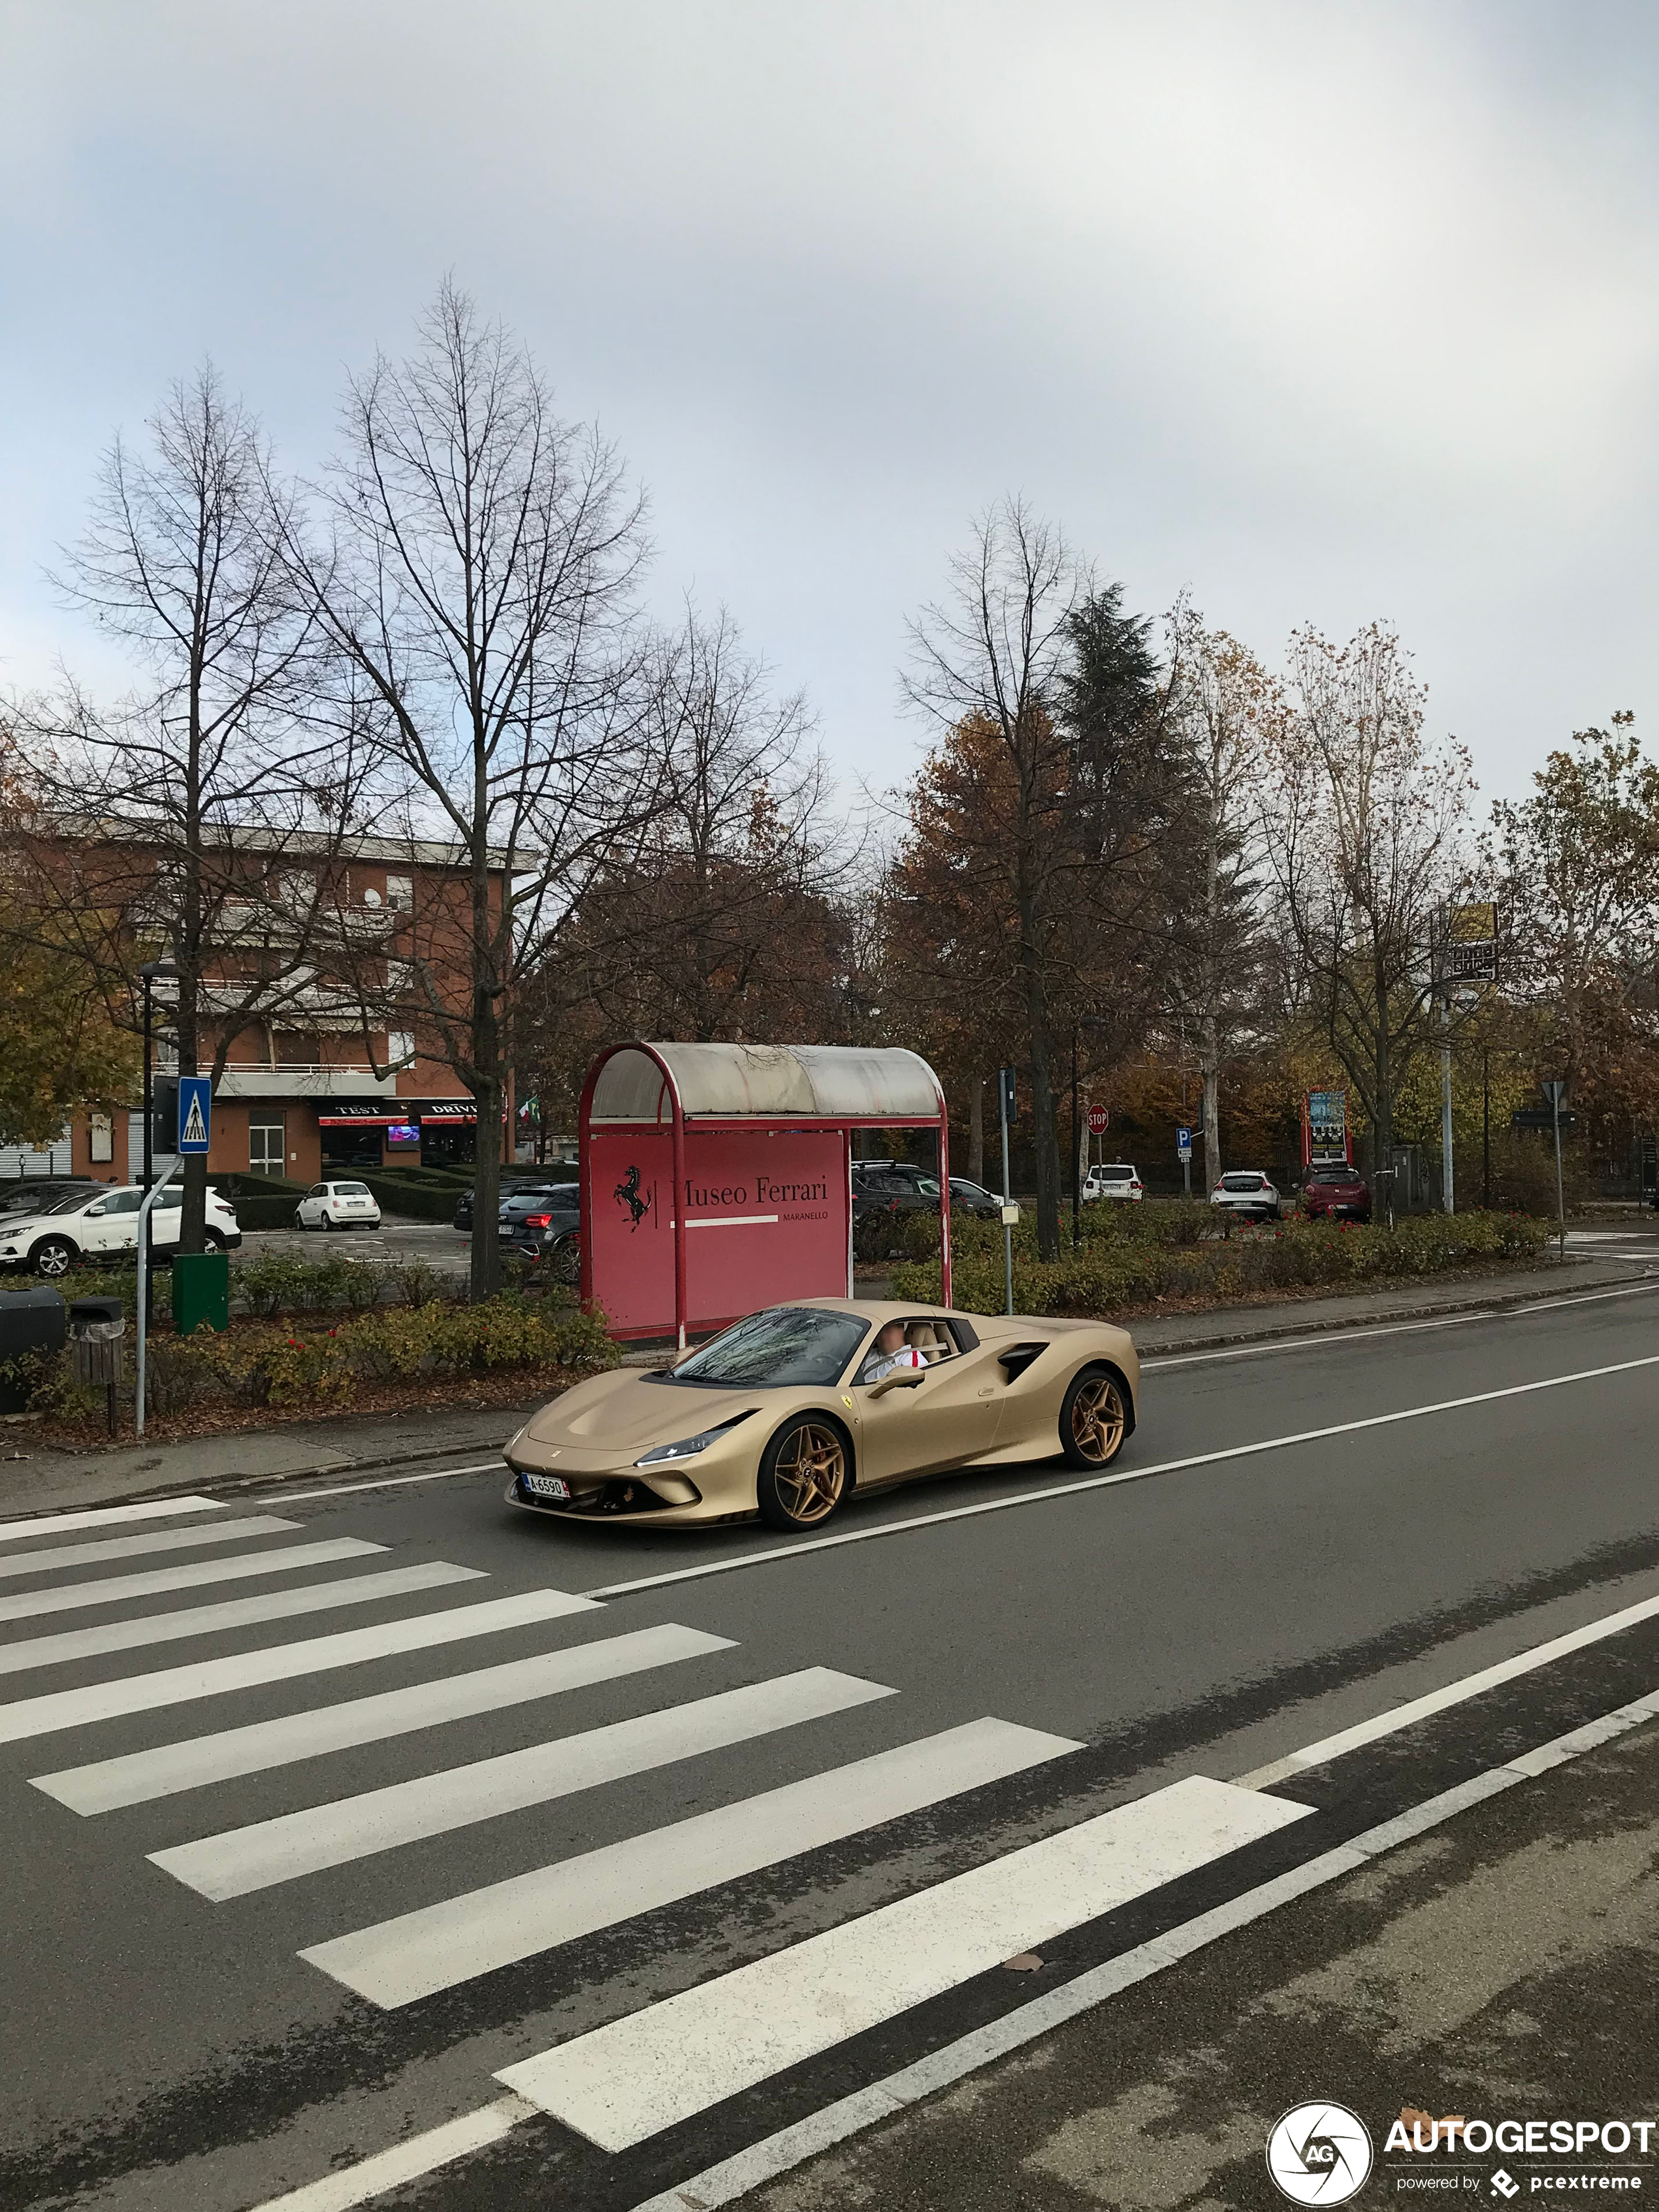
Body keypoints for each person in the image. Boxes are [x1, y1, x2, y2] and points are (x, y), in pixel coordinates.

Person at [861, 1319, 927, 1384]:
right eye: (880, 1332)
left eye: (888, 1331)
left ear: (901, 1331)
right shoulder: (868, 1354)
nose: (883, 1337)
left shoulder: (910, 1359)